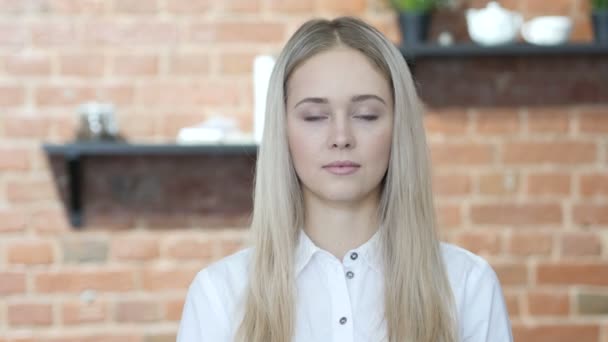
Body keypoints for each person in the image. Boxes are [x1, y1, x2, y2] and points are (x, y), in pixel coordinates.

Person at [177, 16, 513, 342]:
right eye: (314, 116)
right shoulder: (220, 294)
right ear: (283, 130)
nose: (341, 137)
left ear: (398, 128)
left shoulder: (467, 285)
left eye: (366, 115)